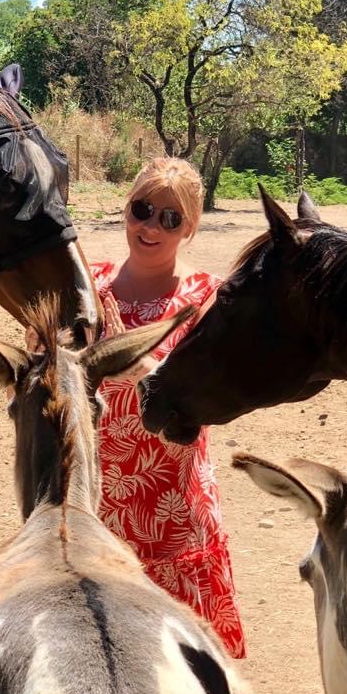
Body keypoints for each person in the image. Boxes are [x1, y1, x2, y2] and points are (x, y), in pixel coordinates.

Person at [91, 157, 246, 658]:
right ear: (126, 208)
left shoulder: (207, 298)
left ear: (191, 228)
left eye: (170, 218)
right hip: (96, 503)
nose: (150, 226)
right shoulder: (88, 289)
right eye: (142, 209)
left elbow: (221, 391)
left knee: (179, 665)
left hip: (174, 511)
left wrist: (146, 367)